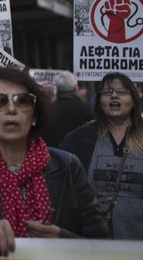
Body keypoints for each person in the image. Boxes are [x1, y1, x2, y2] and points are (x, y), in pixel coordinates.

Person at [0, 68, 109, 256]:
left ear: (34, 116)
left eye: (23, 100)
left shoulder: (67, 165)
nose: (11, 109)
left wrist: (62, 238)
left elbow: (103, 245)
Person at [60, 72, 143, 240]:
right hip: (92, 242)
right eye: (107, 92)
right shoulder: (79, 139)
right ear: (99, 101)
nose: (114, 95)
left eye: (121, 91)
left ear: (133, 100)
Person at [44, 71, 94, 147]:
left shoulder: (47, 109)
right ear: (75, 88)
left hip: (52, 154)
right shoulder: (87, 109)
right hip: (79, 154)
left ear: (57, 89)